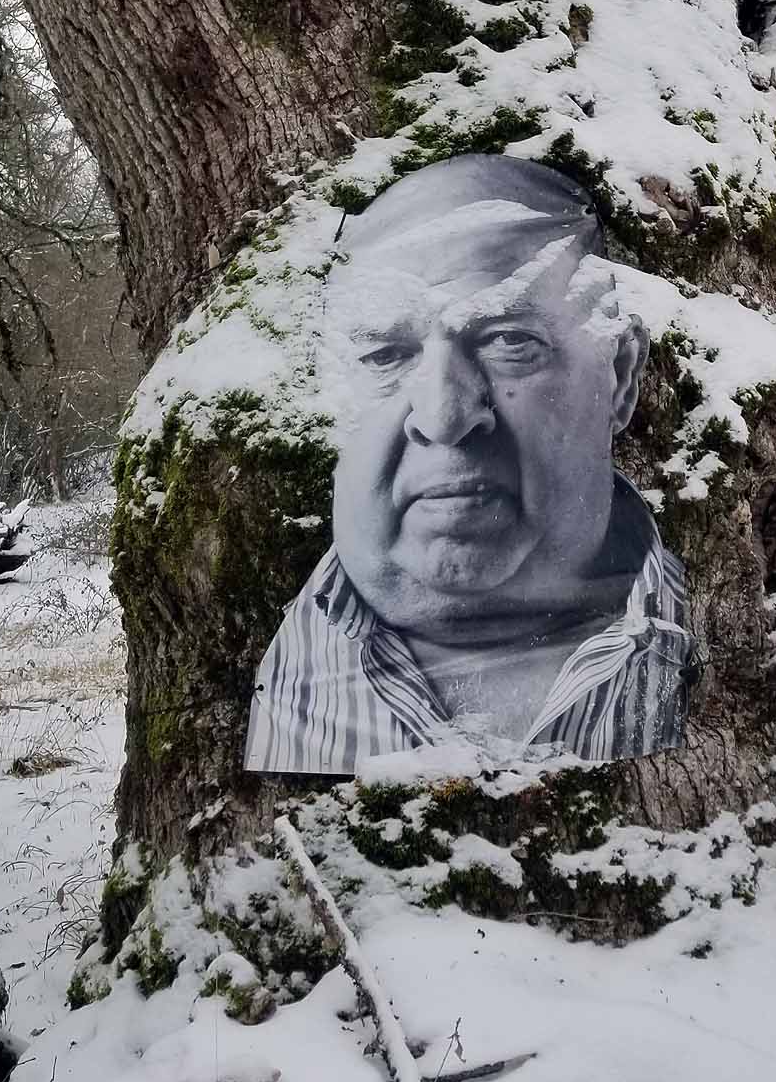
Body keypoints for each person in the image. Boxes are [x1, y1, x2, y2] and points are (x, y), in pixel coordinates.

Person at [244, 153, 695, 774]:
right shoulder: (289, 691)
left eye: (511, 341)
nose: (444, 415)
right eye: (383, 355)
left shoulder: (733, 648)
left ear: (619, 377)